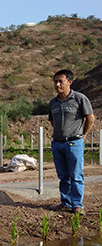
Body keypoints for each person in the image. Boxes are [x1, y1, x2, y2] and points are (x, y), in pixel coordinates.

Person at [48, 69, 95, 215]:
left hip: (74, 142)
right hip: (57, 143)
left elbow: (90, 118)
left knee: (76, 175)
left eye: (60, 81)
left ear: (69, 82)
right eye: (55, 81)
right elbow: (52, 121)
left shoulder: (79, 99)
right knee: (63, 176)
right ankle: (65, 202)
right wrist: (60, 134)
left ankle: (77, 204)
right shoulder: (53, 102)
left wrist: (83, 134)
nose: (57, 84)